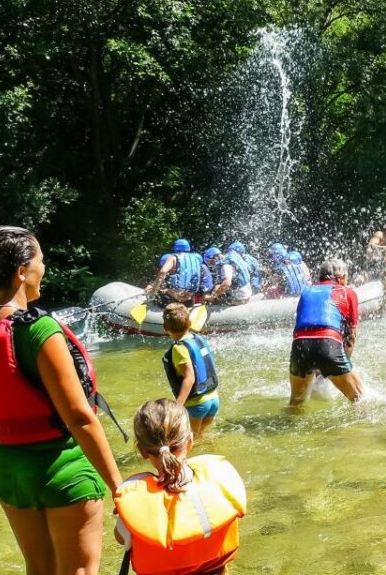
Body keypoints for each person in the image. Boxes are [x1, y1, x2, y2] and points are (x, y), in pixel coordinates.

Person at [0, 225, 123, 574]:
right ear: (21, 272)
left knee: (38, 569)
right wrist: (119, 487)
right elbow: (79, 417)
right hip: (62, 468)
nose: (45, 268)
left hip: (8, 470)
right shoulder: (38, 330)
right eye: (41, 260)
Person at [114, 399, 246, 575]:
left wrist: (126, 512)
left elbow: (122, 538)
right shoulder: (219, 480)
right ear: (190, 442)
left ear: (142, 451)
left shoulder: (136, 500)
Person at [289, 258, 363, 405]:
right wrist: (341, 363)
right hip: (328, 345)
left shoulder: (306, 292)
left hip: (299, 348)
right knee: (359, 399)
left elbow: (301, 329)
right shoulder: (347, 292)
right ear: (340, 277)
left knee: (296, 405)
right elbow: (351, 337)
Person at [162, 303, 220, 437]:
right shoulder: (198, 338)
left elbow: (190, 377)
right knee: (201, 437)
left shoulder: (179, 348)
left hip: (197, 404)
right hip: (213, 399)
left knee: (188, 440)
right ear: (189, 324)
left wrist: (178, 406)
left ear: (165, 328)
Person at [145, 239, 205, 306]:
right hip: (189, 300)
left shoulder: (173, 257)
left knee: (149, 289)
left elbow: (163, 272)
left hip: (172, 299)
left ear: (175, 247)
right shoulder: (196, 259)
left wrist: (153, 291)